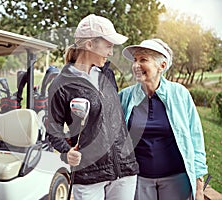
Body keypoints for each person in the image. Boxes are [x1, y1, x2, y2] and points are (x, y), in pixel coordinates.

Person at [47, 14, 139, 200]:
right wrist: (67, 151)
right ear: (89, 45)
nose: (111, 52)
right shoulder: (60, 85)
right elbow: (52, 128)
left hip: (124, 168)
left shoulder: (108, 74)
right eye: (108, 46)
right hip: (89, 174)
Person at [119, 38, 208, 200]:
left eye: (143, 60)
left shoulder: (180, 94)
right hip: (139, 179)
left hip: (177, 180)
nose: (136, 65)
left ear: (162, 66)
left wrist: (199, 184)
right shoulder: (125, 96)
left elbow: (196, 140)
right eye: (135, 60)